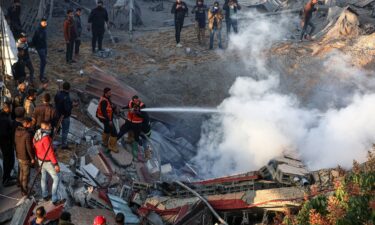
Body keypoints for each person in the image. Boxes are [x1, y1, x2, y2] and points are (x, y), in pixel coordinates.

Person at [33, 121, 63, 205]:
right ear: (45, 128)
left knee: (44, 176)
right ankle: (54, 198)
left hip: (40, 159)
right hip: (47, 161)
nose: (50, 128)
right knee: (56, 178)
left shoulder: (37, 133)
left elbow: (34, 145)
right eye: (49, 127)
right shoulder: (46, 138)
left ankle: (45, 195)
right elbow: (50, 152)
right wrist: (56, 164)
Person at [14, 117, 34, 196]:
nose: (31, 124)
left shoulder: (16, 131)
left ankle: (20, 185)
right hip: (25, 157)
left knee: (21, 173)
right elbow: (29, 148)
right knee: (26, 175)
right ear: (26, 124)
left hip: (19, 155)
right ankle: (25, 191)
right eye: (30, 123)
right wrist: (32, 158)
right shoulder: (27, 134)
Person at [96, 88, 118, 152]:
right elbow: (104, 111)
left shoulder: (106, 98)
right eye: (109, 93)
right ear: (106, 93)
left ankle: (105, 142)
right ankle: (111, 146)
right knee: (114, 132)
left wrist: (113, 107)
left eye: (111, 92)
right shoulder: (104, 101)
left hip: (104, 118)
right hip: (105, 118)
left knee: (107, 129)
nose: (111, 93)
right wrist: (109, 120)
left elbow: (108, 107)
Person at [0, 102, 16, 186]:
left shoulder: (6, 115)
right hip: (5, 143)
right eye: (11, 107)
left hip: (8, 142)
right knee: (7, 161)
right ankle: (6, 180)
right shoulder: (3, 118)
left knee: (10, 160)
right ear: (6, 108)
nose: (12, 109)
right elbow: (3, 133)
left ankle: (8, 176)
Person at [54, 82, 73, 150]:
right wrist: (72, 106)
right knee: (65, 130)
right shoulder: (67, 97)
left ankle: (54, 141)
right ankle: (64, 144)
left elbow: (55, 102)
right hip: (64, 116)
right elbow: (67, 109)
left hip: (57, 114)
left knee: (56, 128)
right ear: (69, 88)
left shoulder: (58, 94)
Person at [32, 18, 48, 83]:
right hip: (40, 48)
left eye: (46, 23)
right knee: (43, 61)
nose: (45, 24)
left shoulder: (44, 29)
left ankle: (42, 75)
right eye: (44, 23)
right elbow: (34, 39)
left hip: (44, 47)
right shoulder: (38, 30)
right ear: (41, 23)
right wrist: (35, 46)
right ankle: (41, 77)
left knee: (43, 62)